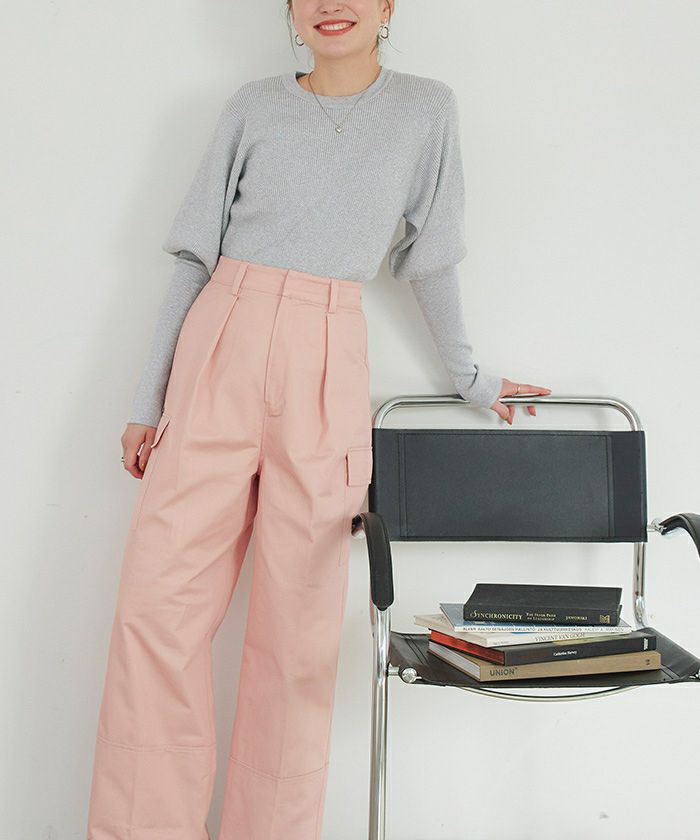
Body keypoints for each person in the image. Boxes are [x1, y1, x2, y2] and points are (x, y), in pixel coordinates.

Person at [86, 2, 552, 838]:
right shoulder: (253, 105)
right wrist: (145, 403)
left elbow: (431, 258)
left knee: (297, 634)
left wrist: (471, 377)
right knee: (156, 612)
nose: (331, 4)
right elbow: (193, 257)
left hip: (329, 350)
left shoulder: (425, 109)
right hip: (219, 345)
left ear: (387, 6)